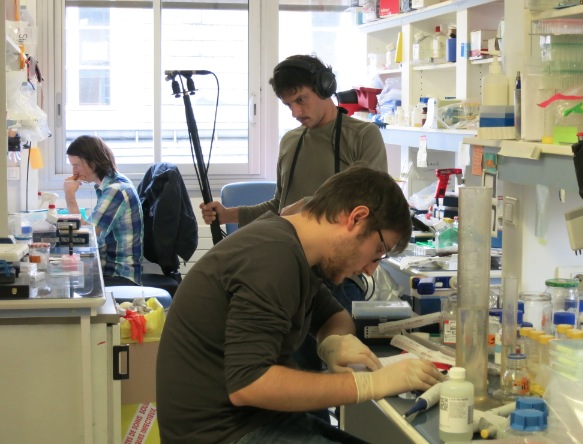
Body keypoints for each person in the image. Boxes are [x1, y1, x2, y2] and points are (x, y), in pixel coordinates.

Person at [157, 166, 444, 444]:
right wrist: (371, 384)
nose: (371, 270)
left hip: (254, 419)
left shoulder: (293, 248)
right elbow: (249, 384)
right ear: (356, 218)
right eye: (378, 251)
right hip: (221, 433)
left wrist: (332, 341)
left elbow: (335, 315)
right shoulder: (273, 257)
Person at [199, 53, 388, 311]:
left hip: (338, 276)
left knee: (337, 336)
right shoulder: (290, 141)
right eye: (288, 105)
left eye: (301, 100)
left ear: (325, 87)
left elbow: (372, 208)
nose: (296, 112)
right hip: (287, 267)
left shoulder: (363, 136)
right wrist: (227, 215)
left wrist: (309, 206)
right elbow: (280, 206)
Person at [64, 135, 143, 286]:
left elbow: (86, 237)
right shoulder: (110, 184)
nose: (74, 172)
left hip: (119, 276)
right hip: (108, 271)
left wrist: (69, 195)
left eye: (77, 165)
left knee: (67, 287)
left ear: (93, 163)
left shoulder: (116, 190)